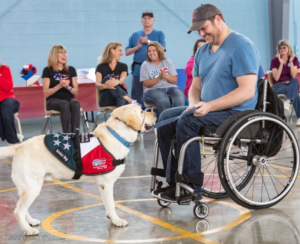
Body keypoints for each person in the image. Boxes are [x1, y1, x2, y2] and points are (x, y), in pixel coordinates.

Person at [153, 4, 261, 202]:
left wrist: (209, 106)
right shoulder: (202, 51)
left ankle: (191, 187)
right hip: (208, 109)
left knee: (187, 122)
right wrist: (194, 103)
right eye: (198, 30)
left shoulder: (241, 46)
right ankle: (174, 182)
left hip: (235, 113)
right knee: (167, 117)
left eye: (204, 28)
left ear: (218, 19)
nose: (201, 33)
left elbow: (246, 91)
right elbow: (195, 88)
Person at [125, 11, 166, 104]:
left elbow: (162, 49)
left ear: (153, 20)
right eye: (144, 18)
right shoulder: (135, 35)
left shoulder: (159, 34)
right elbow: (126, 52)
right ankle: (137, 116)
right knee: (137, 96)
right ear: (141, 21)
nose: (147, 20)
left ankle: (156, 117)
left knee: (156, 94)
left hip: (154, 68)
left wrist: (148, 41)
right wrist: (137, 47)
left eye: (149, 18)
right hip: (138, 68)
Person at [140, 41, 185, 118]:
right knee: (163, 99)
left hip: (170, 88)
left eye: (154, 50)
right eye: (149, 51)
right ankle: (166, 126)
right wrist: (159, 78)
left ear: (159, 51)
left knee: (180, 97)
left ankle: (177, 123)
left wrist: (166, 76)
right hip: (152, 90)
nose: (151, 53)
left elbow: (174, 80)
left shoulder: (167, 62)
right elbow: (146, 84)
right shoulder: (145, 65)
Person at [42, 44, 80, 133]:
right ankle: (68, 135)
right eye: (61, 53)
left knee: (75, 103)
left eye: (65, 53)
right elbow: (46, 93)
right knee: (65, 104)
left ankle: (76, 134)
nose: (64, 55)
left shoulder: (71, 70)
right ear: (54, 55)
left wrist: (68, 87)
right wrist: (59, 86)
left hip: (69, 98)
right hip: (53, 100)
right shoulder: (47, 70)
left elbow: (76, 92)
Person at [96, 42, 137, 107]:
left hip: (121, 97)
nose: (122, 54)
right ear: (112, 50)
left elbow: (122, 79)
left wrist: (117, 81)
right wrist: (105, 86)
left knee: (122, 99)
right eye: (120, 50)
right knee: (107, 78)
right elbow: (97, 84)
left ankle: (118, 117)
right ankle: (129, 99)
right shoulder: (100, 67)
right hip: (107, 98)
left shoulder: (123, 66)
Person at [270, 39, 300, 125]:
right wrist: (281, 64)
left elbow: (293, 75)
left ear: (288, 48)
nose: (282, 49)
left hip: (290, 84)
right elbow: (276, 77)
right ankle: (299, 117)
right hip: (279, 86)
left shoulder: (294, 59)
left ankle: (287, 101)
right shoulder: (274, 61)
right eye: (280, 48)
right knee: (295, 93)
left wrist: (290, 62)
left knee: (294, 80)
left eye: (284, 48)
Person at [0, 61, 23, 145]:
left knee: (6, 107)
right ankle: (12, 135)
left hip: (9, 100)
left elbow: (8, 87)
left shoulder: (5, 69)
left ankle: (13, 141)